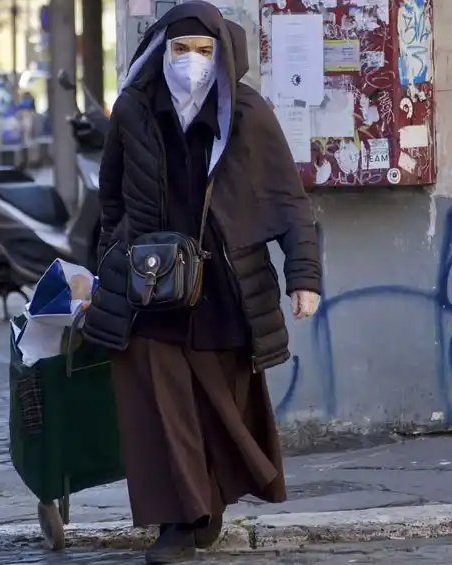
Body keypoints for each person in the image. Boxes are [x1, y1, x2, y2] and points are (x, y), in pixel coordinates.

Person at [82, 2, 322, 563]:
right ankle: (178, 522)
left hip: (225, 285)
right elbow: (109, 194)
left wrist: (302, 275)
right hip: (148, 287)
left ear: (222, 56)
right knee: (160, 404)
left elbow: (288, 199)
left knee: (220, 404)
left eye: (204, 51)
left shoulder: (248, 113)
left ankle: (207, 504)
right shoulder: (134, 110)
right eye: (181, 50)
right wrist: (110, 263)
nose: (191, 62)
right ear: (162, 52)